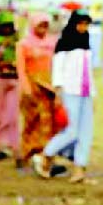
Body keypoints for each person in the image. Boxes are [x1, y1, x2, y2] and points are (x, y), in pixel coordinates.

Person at [35, 9, 95, 183]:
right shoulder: (64, 43)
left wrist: (94, 94)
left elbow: (89, 71)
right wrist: (58, 92)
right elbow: (58, 70)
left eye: (86, 24)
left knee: (86, 133)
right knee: (72, 131)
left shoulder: (87, 43)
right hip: (70, 91)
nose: (83, 27)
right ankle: (47, 154)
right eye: (81, 23)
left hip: (86, 92)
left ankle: (80, 168)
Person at [16, 11, 58, 166]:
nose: (44, 28)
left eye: (46, 25)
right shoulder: (24, 44)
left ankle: (44, 152)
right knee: (31, 120)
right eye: (41, 25)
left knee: (47, 120)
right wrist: (26, 88)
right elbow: (21, 68)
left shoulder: (52, 42)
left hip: (48, 85)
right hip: (31, 84)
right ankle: (26, 150)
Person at [0, 10, 21, 163]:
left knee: (12, 115)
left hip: (14, 79)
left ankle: (12, 145)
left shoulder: (18, 40)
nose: (7, 29)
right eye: (4, 26)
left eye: (9, 26)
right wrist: (2, 47)